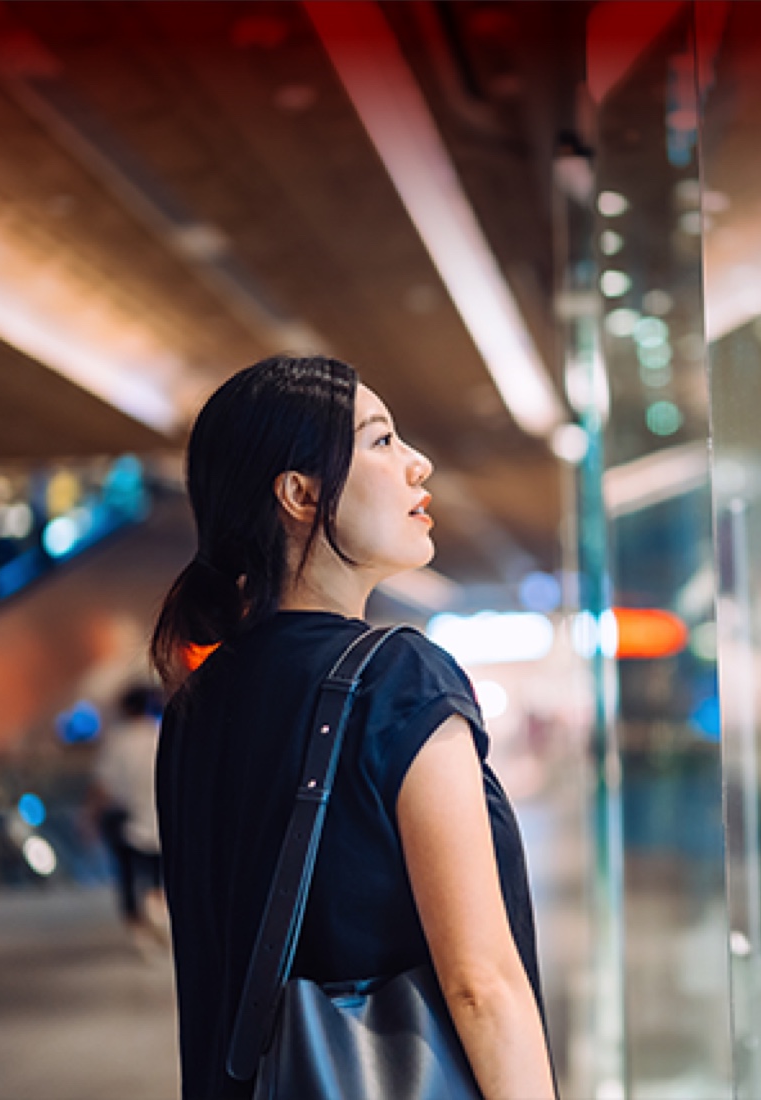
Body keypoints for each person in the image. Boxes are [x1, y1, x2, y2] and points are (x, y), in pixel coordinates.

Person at [152, 356, 551, 1099]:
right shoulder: (399, 680)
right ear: (300, 495)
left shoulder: (193, 706)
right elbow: (481, 986)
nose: (416, 463)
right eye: (380, 441)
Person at [92, 684, 169, 950]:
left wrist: (89, 817)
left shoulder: (118, 742)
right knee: (162, 875)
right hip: (162, 819)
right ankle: (158, 910)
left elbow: (105, 786)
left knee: (129, 875)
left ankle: (139, 923)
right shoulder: (160, 735)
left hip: (129, 821)